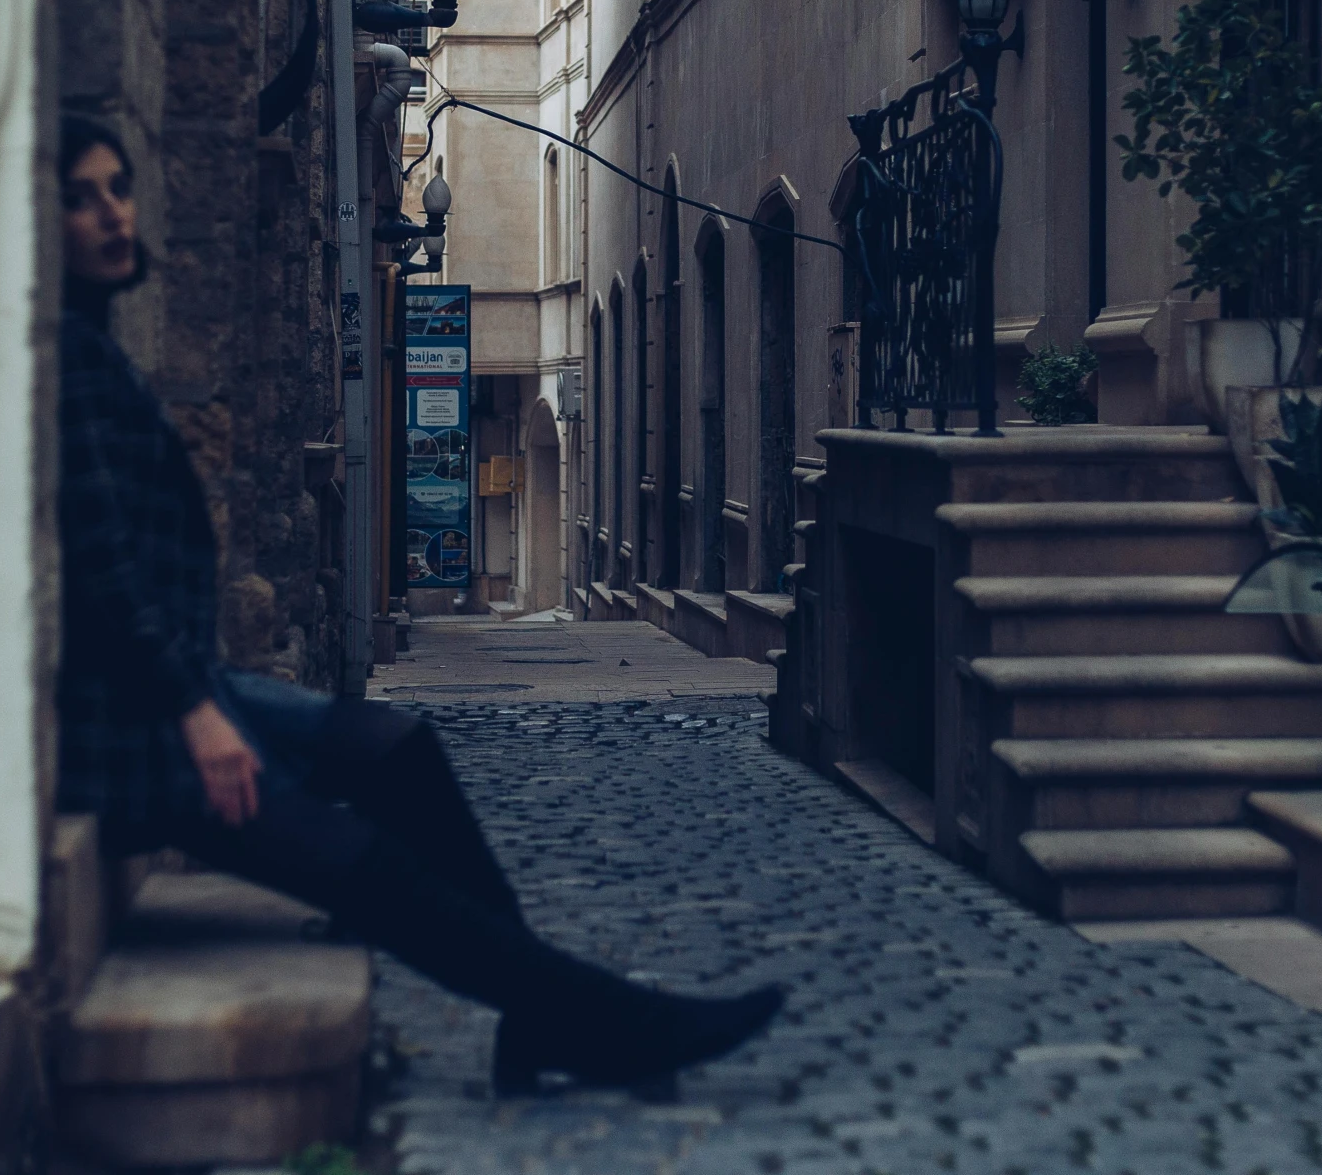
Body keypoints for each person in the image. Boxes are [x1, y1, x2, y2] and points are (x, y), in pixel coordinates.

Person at [54, 118, 781, 1097]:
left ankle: (543, 1018)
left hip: (191, 688)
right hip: (146, 723)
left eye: (117, 188)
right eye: (80, 195)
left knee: (397, 749)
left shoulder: (94, 349)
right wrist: (191, 711)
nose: (109, 211)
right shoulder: (64, 364)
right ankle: (608, 1023)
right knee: (371, 870)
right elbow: (102, 566)